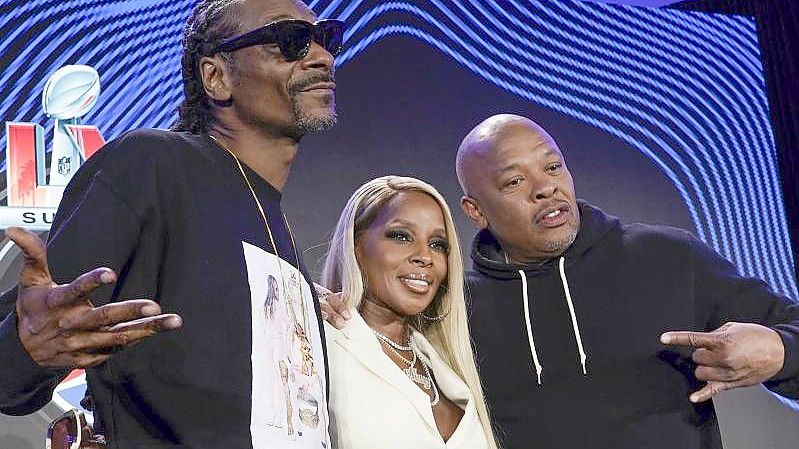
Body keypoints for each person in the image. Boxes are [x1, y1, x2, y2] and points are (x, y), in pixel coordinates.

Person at [0, 0, 343, 447]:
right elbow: (25, 351)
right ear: (216, 77)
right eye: (290, 42)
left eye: (326, 38)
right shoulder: (152, 164)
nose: (322, 56)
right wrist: (28, 349)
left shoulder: (274, 219)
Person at [454, 114, 799, 448]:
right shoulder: (456, 311)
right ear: (476, 211)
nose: (546, 188)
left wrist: (781, 351)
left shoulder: (668, 257)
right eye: (515, 181)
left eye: (553, 166)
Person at [319, 175, 498, 449]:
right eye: (401, 236)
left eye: (438, 244)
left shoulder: (443, 367)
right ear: (355, 246)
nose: (425, 256)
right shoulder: (324, 344)